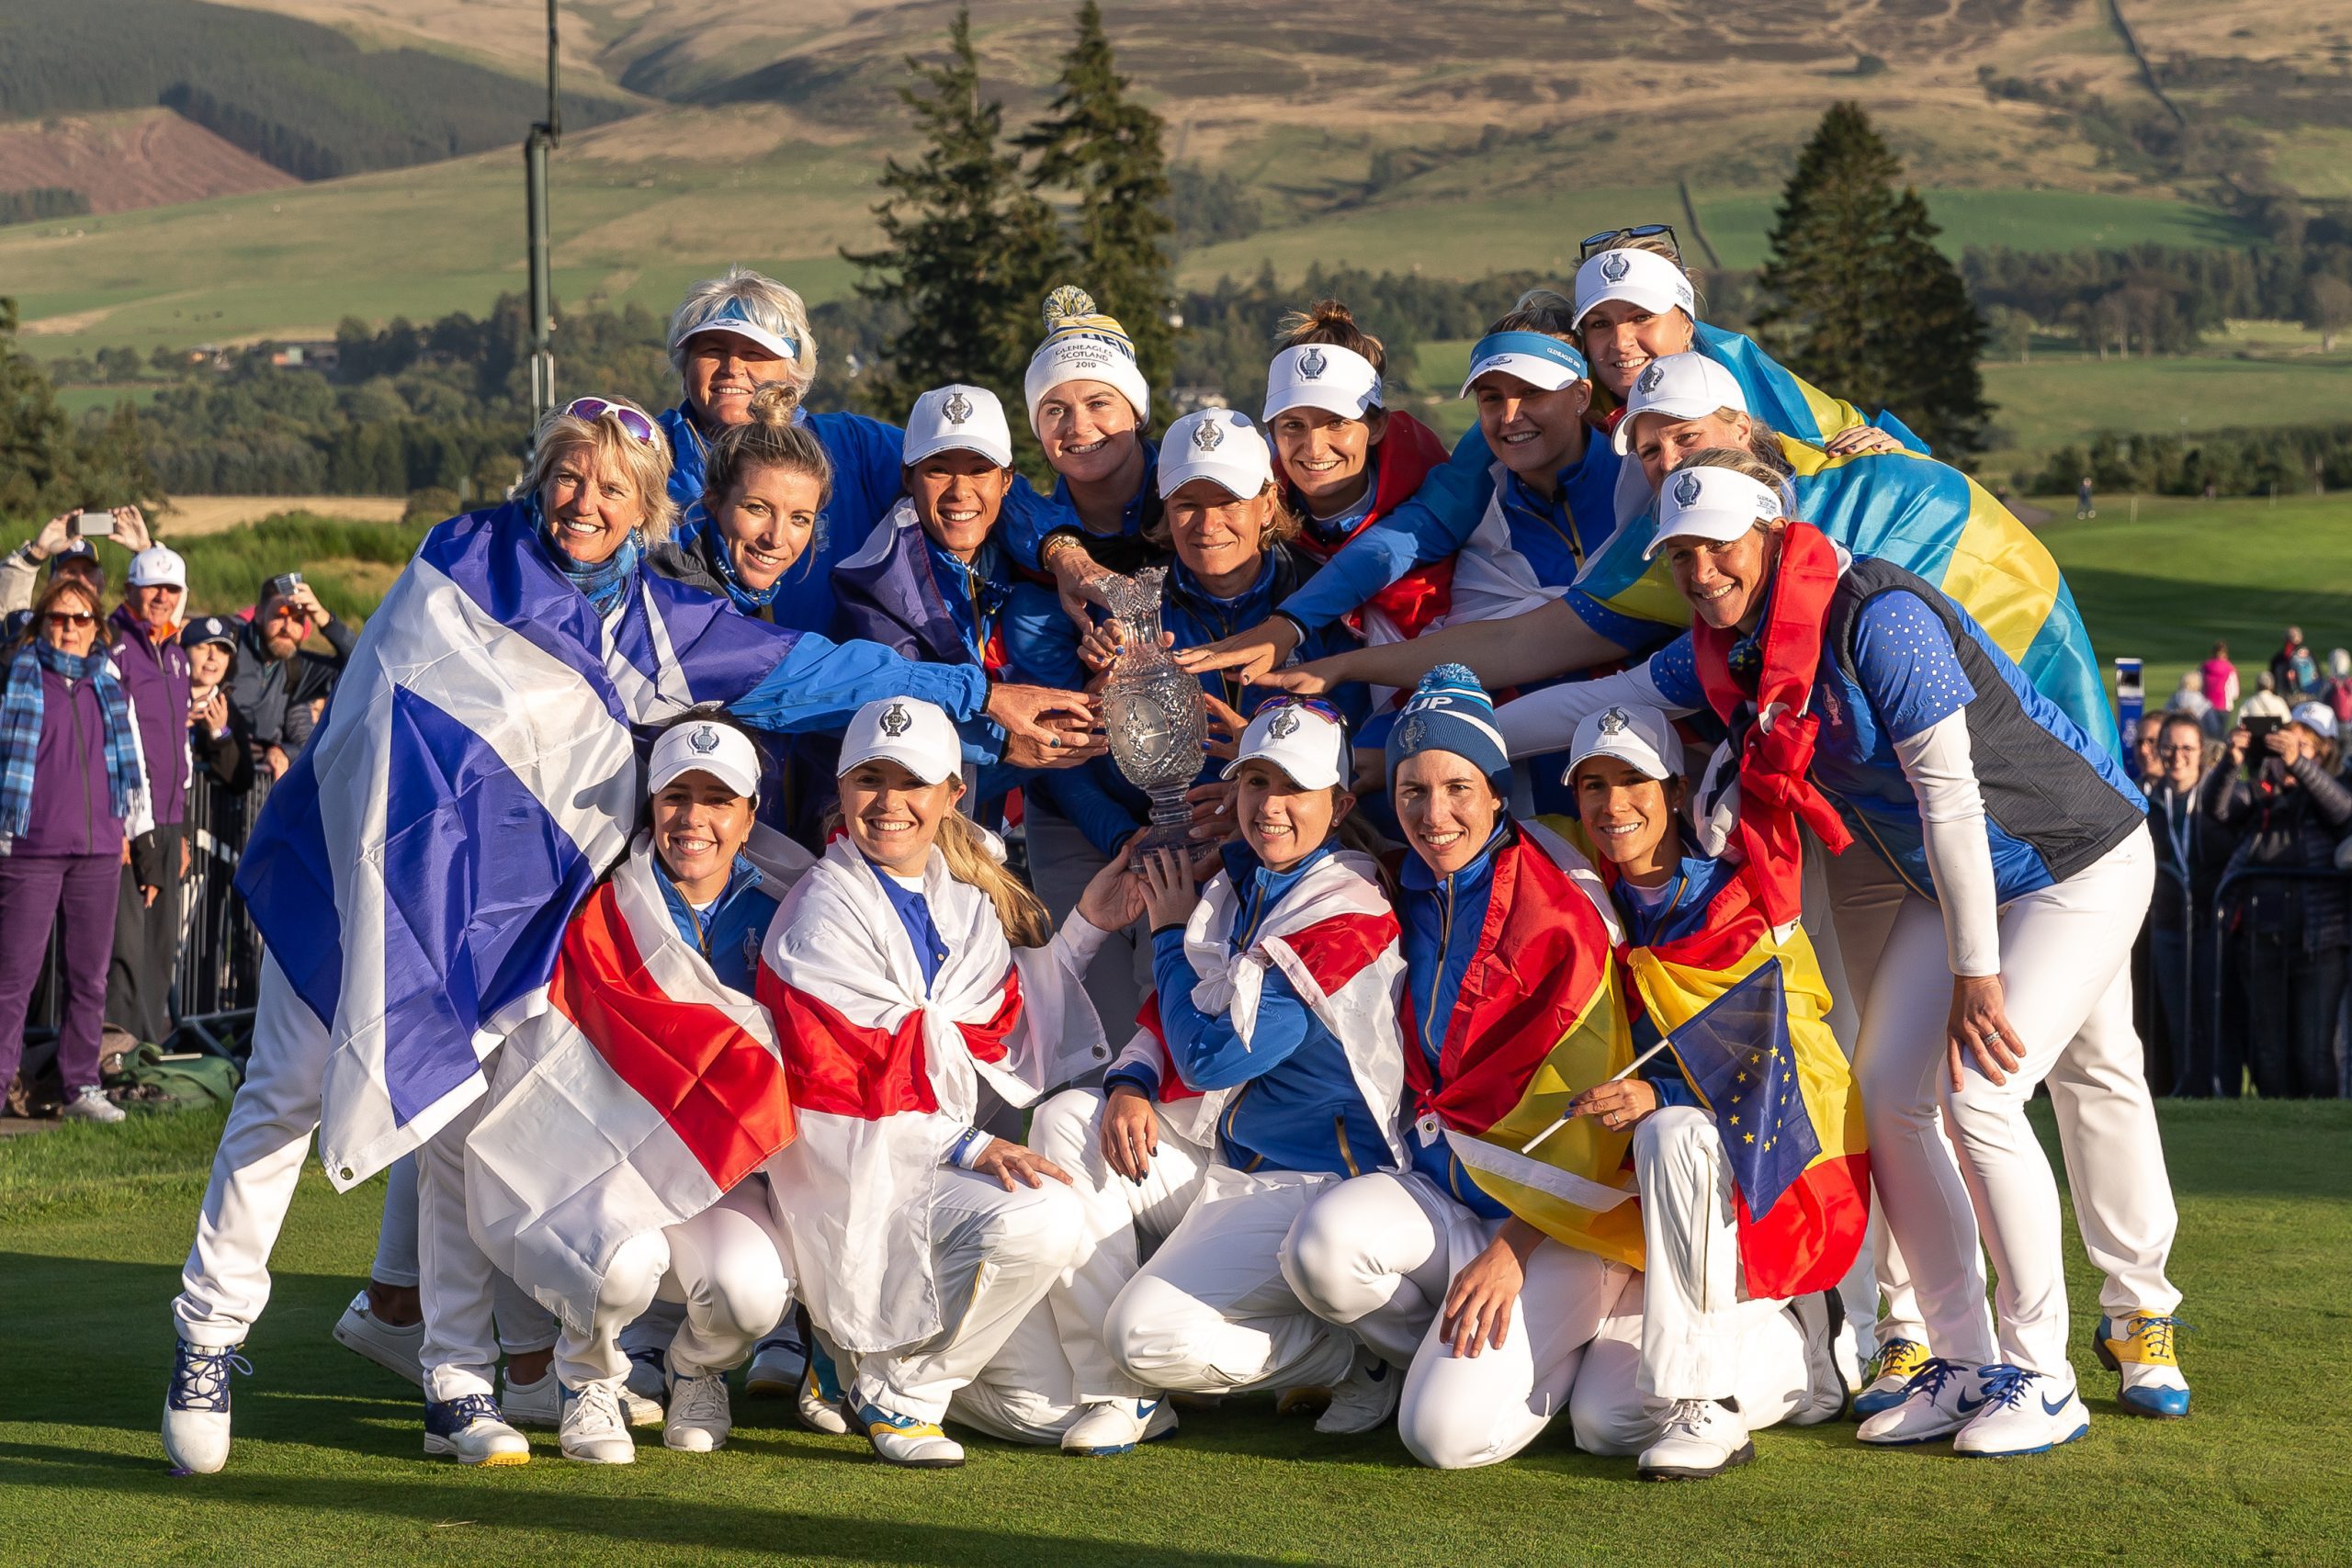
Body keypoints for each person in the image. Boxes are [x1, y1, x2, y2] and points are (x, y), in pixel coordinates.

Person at [163, 396, 1095, 1476]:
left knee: (464, 1133)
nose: (586, 503)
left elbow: (826, 673)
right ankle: (208, 1335)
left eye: (614, 488)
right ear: (539, 478)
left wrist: (980, 697)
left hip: (491, 921)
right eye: (569, 477)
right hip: (349, 882)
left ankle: (455, 1383)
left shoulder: (666, 626)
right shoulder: (460, 554)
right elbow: (393, 702)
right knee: (283, 1096)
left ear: (649, 510)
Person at [1539, 453, 2183, 1447]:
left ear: (1768, 532)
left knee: (1980, 1096)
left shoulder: (1877, 617)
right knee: (1887, 1094)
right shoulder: (1732, 645)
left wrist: (1977, 974)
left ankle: (2040, 1372)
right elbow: (1600, 699)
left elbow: (1953, 800)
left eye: (1719, 547)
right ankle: (1962, 1363)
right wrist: (1435, 740)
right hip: (1957, 880)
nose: (1701, 571)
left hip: (2073, 864)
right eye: (1681, 555)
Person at [758, 697, 1140, 1467]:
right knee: (1044, 1216)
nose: (890, 803)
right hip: (854, 1180)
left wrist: (1092, 919)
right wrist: (972, 1144)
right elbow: (838, 1083)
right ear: (843, 785)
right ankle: (899, 1389)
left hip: (933, 1181)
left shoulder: (960, 902)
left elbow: (1004, 1029)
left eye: (913, 782)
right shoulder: (819, 914)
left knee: (1044, 1410)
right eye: (871, 779)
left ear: (951, 794)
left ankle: (856, 1365)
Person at [467, 713, 808, 1463]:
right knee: (620, 1268)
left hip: (720, 1168)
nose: (694, 818)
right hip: (602, 1161)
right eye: (676, 795)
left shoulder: (793, 905)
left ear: (750, 816)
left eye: (718, 799)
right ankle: (589, 1376)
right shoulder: (600, 904)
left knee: (752, 1294)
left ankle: (694, 1367)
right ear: (650, 802)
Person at [1102, 699, 1409, 1436]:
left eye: (1293, 787)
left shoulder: (1347, 904)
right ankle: (1104, 1386)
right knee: (1065, 1123)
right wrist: (1131, 1077)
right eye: (1256, 782)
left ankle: (1356, 1350)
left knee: (1142, 1336)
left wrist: (1169, 932)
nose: (1270, 805)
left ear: (1338, 806)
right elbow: (1181, 1010)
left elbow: (1212, 1056)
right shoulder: (1248, 878)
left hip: (1324, 1184)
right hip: (1239, 1158)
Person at [1031, 409, 1369, 1033]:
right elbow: (1055, 763)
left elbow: (1362, 734)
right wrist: (1128, 842)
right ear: (1163, 510)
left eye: (1229, 501)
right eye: (1187, 503)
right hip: (1146, 862)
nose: (1208, 523)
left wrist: (1264, 765)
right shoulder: (1125, 608)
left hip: (1287, 858)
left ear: (1268, 503)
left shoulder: (1326, 598)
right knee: (1124, 1048)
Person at [834, 383, 1067, 828]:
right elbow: (896, 719)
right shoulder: (877, 580)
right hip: (896, 823)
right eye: (938, 470)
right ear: (908, 478)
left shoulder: (1026, 562)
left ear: (1007, 481)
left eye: (979, 470)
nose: (960, 492)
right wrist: (1009, 743)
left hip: (996, 818)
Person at [0, 573, 152, 1124]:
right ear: (41, 624)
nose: (68, 628)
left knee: (88, 978)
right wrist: (35, 552)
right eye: (58, 618)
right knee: (12, 976)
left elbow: (132, 769)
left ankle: (80, 1084)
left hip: (98, 851)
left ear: (96, 629)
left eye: (80, 619)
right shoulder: (17, 676)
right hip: (29, 850)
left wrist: (134, 835)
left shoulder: (108, 686)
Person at [2204, 702, 2351, 1100]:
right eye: (2289, 738)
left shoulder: (2338, 785)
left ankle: (2317, 1136)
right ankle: (2276, 1126)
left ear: (2324, 750)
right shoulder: (2264, 792)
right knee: (2267, 1052)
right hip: (2261, 936)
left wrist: (2300, 767)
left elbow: (2344, 813)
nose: (2294, 749)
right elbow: (2215, 808)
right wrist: (2232, 762)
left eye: (2305, 743)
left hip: (2319, 941)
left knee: (2314, 1052)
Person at [106, 546, 194, 1048]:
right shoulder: (114, 648)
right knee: (125, 944)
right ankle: (114, 1055)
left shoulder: (177, 655)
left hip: (167, 819)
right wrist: (124, 827)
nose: (162, 597)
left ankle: (146, 1051)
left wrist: (179, 829)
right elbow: (117, 745)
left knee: (160, 946)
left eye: (172, 589)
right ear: (130, 590)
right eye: (152, 587)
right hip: (126, 820)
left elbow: (178, 746)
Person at [2144, 714, 2220, 1096]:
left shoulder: (2218, 798)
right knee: (2177, 1015)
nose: (2177, 756)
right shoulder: (2150, 802)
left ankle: (2214, 1091)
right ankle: (2186, 1091)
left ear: (2201, 753)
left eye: (2186, 748)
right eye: (2169, 747)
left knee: (2213, 1012)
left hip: (2211, 926)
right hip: (2169, 924)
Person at [226, 574, 354, 779]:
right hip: (208, 785)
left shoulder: (296, 666)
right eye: (280, 615)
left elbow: (359, 664)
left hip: (258, 788)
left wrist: (324, 618)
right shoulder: (227, 647)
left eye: (298, 619)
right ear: (259, 614)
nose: (288, 627)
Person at [0, 504, 154, 615]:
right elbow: (7, 614)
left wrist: (147, 552)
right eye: (70, 571)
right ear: (51, 582)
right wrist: (35, 554)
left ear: (102, 581)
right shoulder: (36, 632)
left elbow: (162, 608)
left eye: (88, 571)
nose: (80, 579)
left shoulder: (117, 635)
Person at [2165, 669, 2215, 739]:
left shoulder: (2173, 700)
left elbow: (2165, 718)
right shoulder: (2204, 703)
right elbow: (2213, 727)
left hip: (2173, 736)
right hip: (2199, 738)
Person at [2270, 626, 2317, 698]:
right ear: (2300, 638)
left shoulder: (2278, 657)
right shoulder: (2309, 655)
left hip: (2284, 697)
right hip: (2308, 697)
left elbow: (2272, 680)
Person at [2200, 641, 2239, 716]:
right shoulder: (2230, 668)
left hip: (2205, 706)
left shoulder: (2204, 666)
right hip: (2225, 705)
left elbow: (2199, 685)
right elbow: (2235, 693)